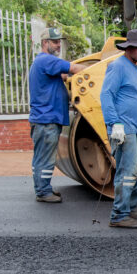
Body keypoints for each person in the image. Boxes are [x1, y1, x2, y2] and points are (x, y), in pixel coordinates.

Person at [100, 29, 137, 229]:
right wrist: (114, 124)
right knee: (128, 171)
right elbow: (106, 95)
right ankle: (118, 215)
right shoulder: (118, 66)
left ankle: (128, 209)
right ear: (129, 47)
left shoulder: (133, 68)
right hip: (124, 128)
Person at [28, 27, 86, 202]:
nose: (58, 44)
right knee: (45, 158)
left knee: (41, 156)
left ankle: (43, 188)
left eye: (59, 41)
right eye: (54, 41)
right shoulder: (47, 60)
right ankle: (43, 192)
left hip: (43, 119)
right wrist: (100, 68)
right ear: (45, 43)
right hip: (47, 120)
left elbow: (62, 75)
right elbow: (73, 68)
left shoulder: (41, 63)